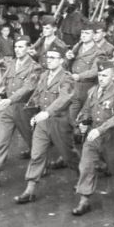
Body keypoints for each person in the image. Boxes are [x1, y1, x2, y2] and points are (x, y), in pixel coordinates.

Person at [13, 42, 80, 204]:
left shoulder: (67, 78)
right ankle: (30, 190)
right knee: (36, 154)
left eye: (53, 58)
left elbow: (64, 98)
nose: (49, 60)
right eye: (48, 57)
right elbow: (37, 95)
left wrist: (47, 112)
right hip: (43, 123)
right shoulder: (44, 76)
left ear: (62, 60)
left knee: (69, 155)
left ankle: (83, 176)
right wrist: (31, 111)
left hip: (59, 122)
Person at [0, 36, 41, 189]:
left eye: (21, 47)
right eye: (16, 47)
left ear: (28, 48)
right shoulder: (12, 63)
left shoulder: (35, 67)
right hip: (8, 108)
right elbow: (4, 81)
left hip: (24, 108)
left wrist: (10, 99)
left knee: (32, 140)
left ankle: (40, 165)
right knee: (2, 140)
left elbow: (28, 87)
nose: (17, 50)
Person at [72, 60, 114, 216]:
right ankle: (84, 200)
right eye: (99, 75)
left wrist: (100, 129)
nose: (101, 78)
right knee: (86, 165)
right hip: (93, 135)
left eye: (105, 75)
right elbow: (86, 110)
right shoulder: (93, 91)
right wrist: (83, 123)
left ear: (113, 76)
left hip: (111, 136)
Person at [67, 21, 105, 127]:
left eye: (87, 33)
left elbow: (95, 71)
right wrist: (68, 58)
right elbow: (66, 65)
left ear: (94, 35)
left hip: (87, 88)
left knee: (85, 119)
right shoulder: (77, 48)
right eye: (82, 33)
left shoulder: (98, 52)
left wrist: (80, 76)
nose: (83, 35)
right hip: (73, 87)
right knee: (69, 118)